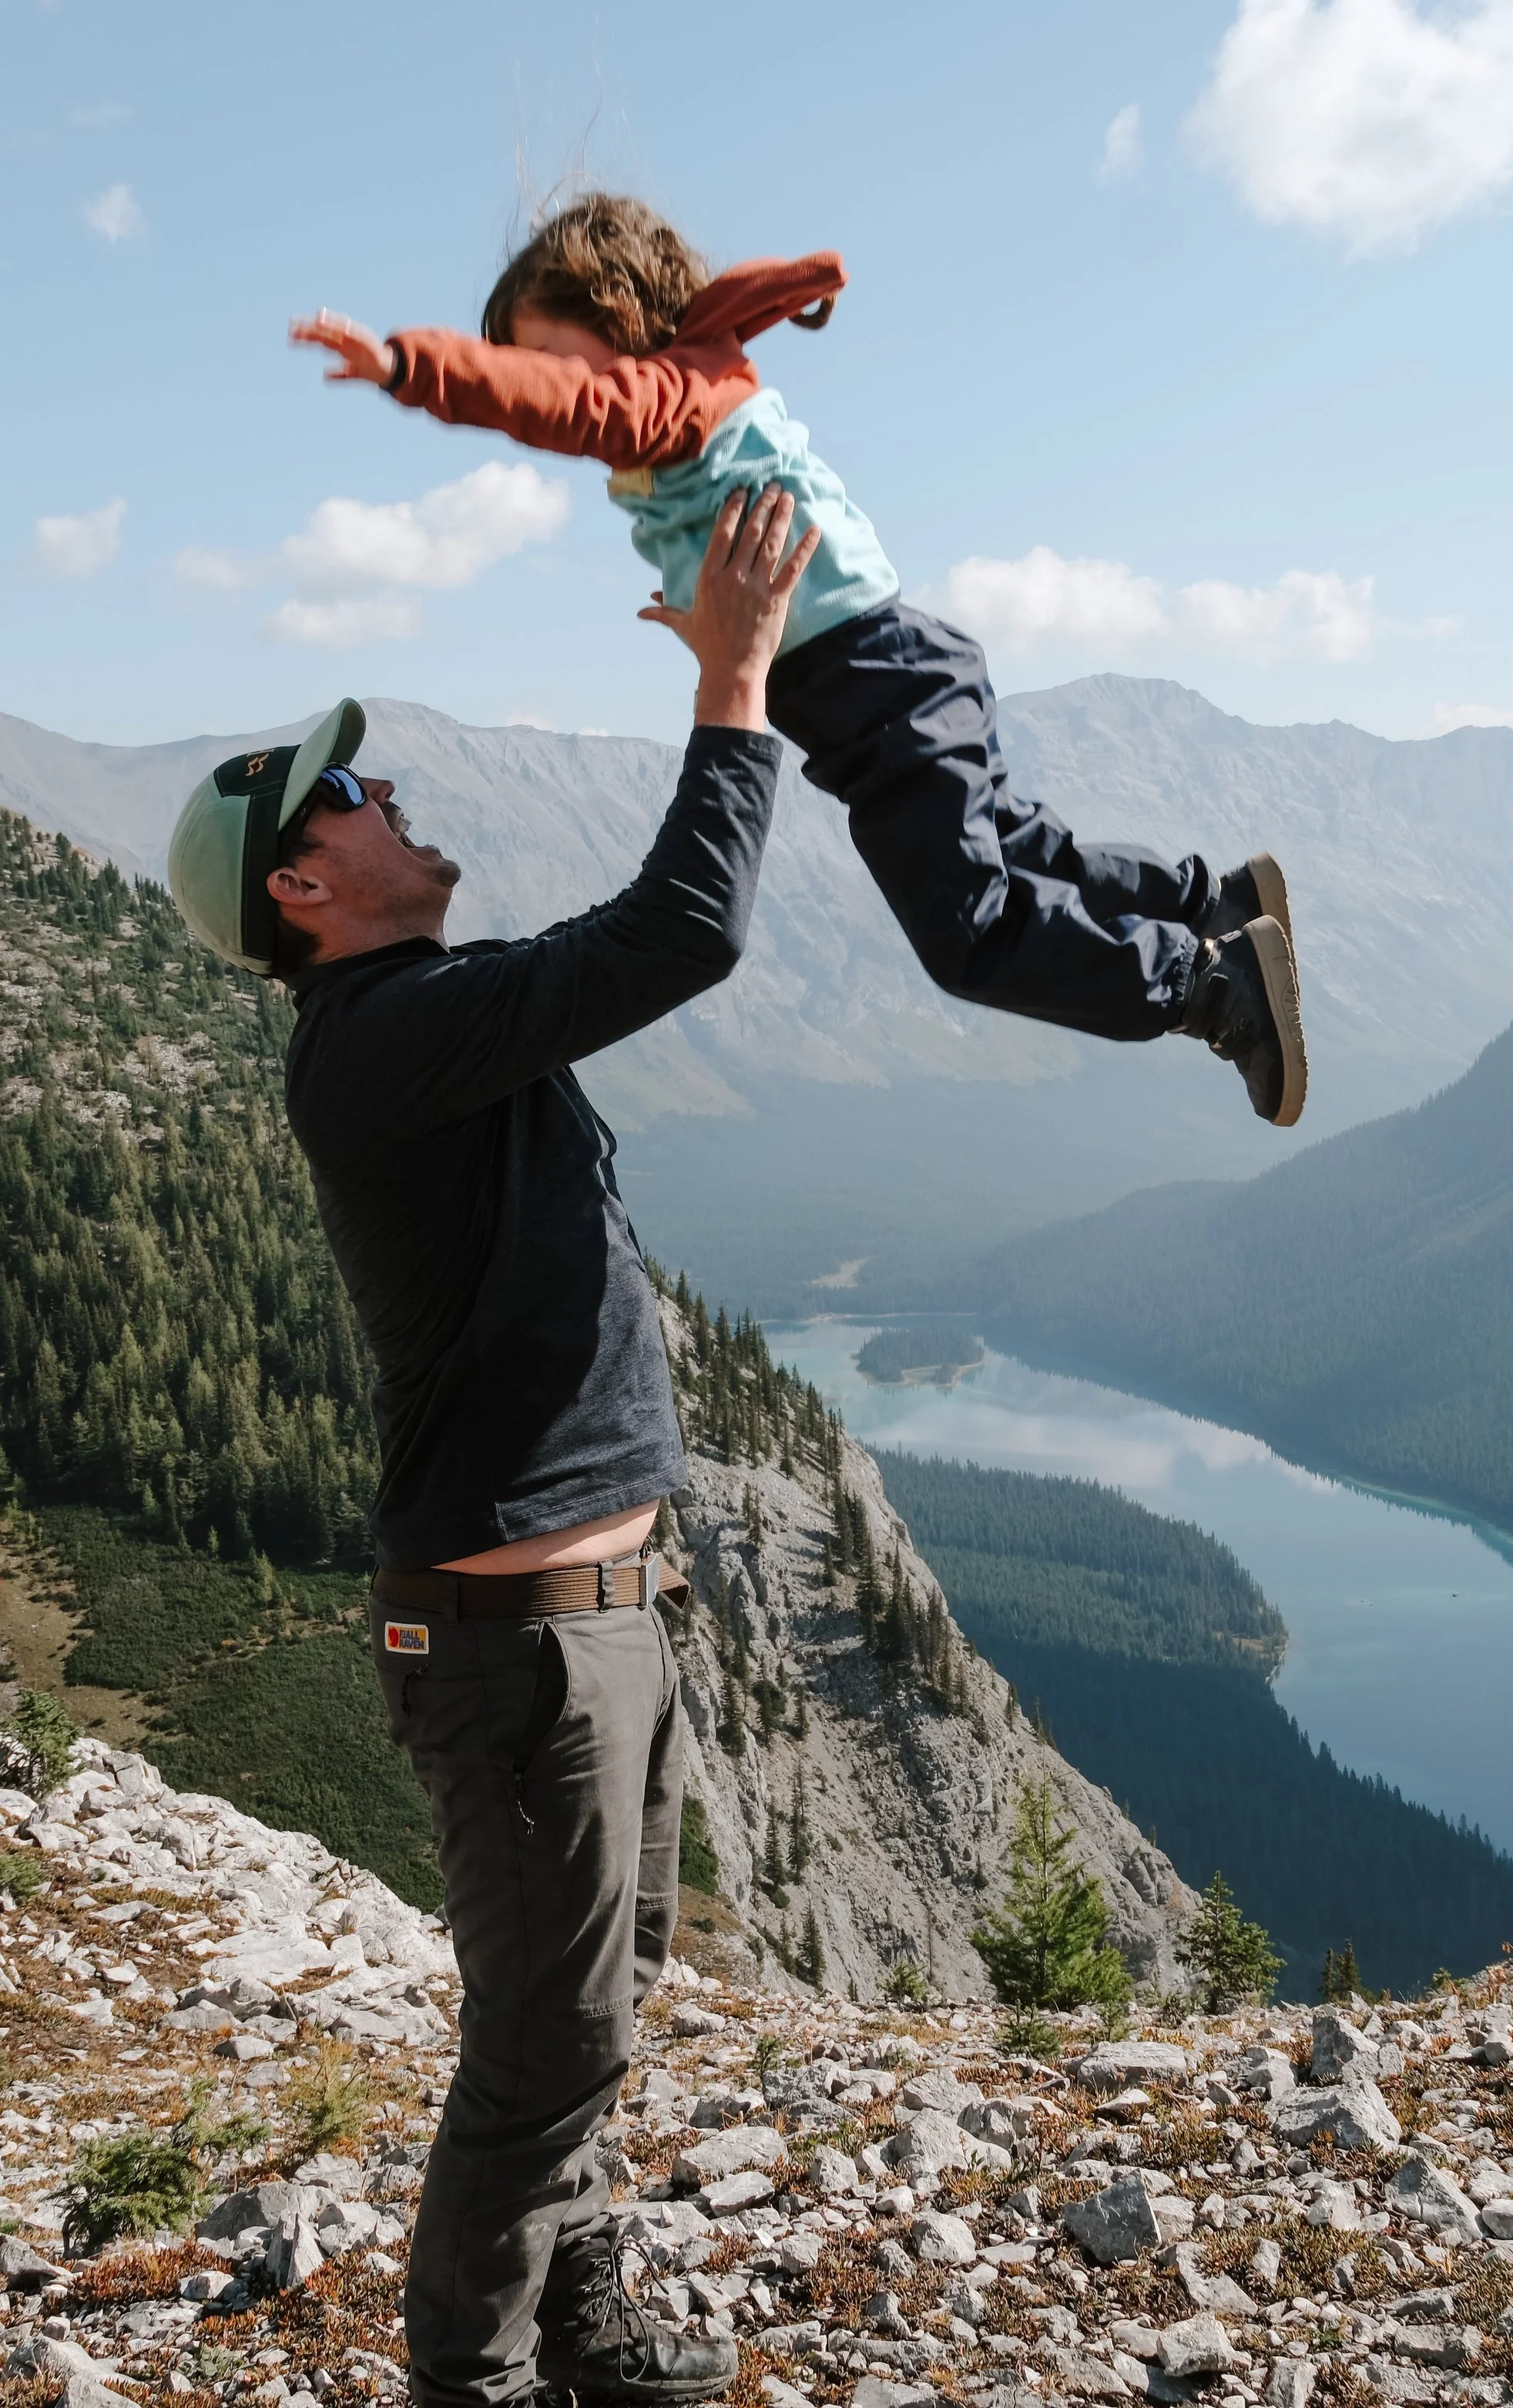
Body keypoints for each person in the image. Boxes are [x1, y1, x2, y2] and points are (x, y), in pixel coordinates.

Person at [166, 485, 819, 2408]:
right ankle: (473, 2373)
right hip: (522, 1636)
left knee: (583, 2009)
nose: (388, 798)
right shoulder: (378, 1037)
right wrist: (736, 677)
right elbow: (680, 928)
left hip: (587, 1612)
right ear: (303, 889)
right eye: (347, 803)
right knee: (538, 2039)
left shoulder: (423, 1019)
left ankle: (588, 2315)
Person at [290, 191, 1309, 1128]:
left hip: (877, 688)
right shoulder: (699, 401)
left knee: (971, 934)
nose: (556, 401)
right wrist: (708, 626)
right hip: (896, 671)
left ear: (620, 323)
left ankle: (1215, 986)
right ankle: (1211, 899)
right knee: (1014, 845)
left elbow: (572, 407)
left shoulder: (670, 396)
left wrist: (409, 368)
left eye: (553, 361)